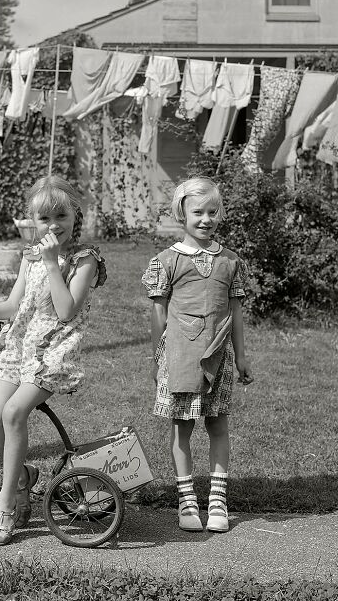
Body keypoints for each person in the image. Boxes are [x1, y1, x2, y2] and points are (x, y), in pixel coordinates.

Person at [0, 175, 107, 547]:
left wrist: (54, 264)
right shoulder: (30, 256)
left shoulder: (84, 259)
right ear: (32, 221)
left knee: (13, 413)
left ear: (76, 215)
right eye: (44, 219)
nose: (53, 225)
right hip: (21, 347)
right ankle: (23, 474)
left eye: (61, 216)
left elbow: (67, 310)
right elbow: (11, 306)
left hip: (54, 350)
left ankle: (6, 501)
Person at [141, 177, 253, 534]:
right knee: (182, 427)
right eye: (197, 212)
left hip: (218, 356)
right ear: (181, 214)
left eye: (212, 211)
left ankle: (217, 499)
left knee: (218, 425)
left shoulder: (230, 261)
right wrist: (157, 357)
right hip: (180, 358)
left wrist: (241, 356)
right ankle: (187, 499)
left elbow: (235, 312)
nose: (206, 219)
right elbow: (159, 314)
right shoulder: (166, 261)